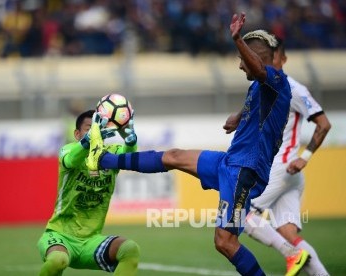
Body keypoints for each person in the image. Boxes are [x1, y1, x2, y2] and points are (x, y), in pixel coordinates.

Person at [86, 13, 296, 276]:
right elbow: (260, 106)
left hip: (246, 172)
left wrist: (236, 39)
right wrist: (238, 116)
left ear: (254, 58)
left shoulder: (277, 81)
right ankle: (103, 159)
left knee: (225, 242)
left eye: (242, 60)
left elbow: (257, 71)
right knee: (174, 156)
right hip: (229, 163)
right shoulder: (258, 88)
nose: (240, 66)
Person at [243, 38, 331, 276]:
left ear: (279, 58)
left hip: (281, 167)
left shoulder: (293, 89)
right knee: (290, 235)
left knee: (240, 214)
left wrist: (306, 156)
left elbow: (323, 123)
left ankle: (290, 254)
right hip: (287, 174)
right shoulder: (265, 86)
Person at [37, 110, 140, 276]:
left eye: (99, 129)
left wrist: (130, 141)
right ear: (77, 134)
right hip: (60, 236)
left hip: (91, 243)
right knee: (58, 260)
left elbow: (130, 158)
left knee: (130, 249)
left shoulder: (110, 154)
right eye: (90, 129)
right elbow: (70, 160)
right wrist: (88, 141)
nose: (96, 132)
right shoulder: (68, 150)